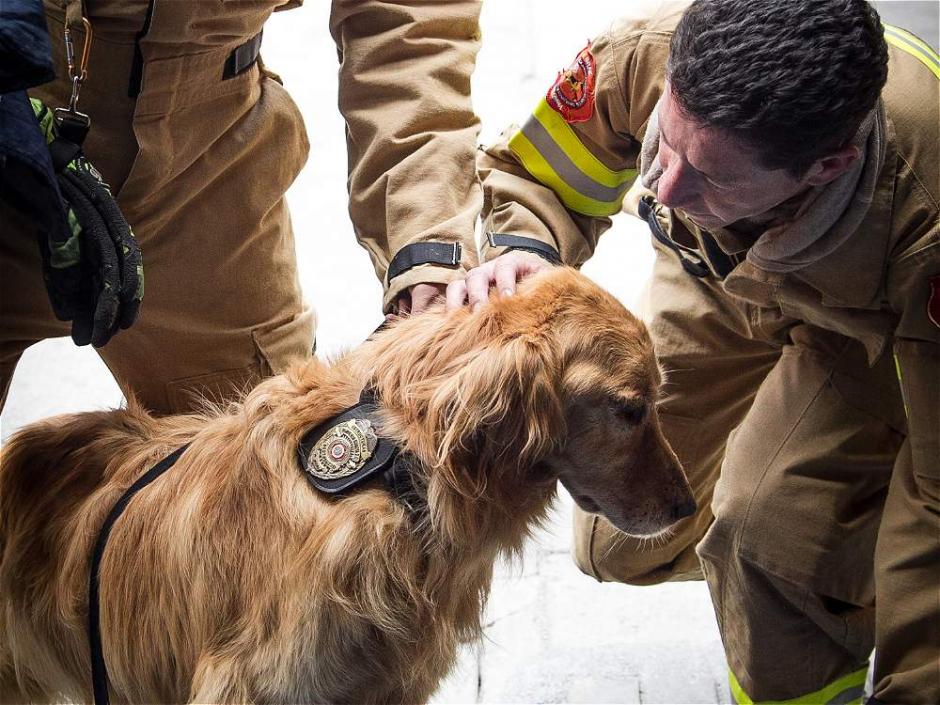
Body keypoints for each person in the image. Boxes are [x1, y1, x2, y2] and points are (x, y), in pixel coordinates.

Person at [451, 1, 939, 703]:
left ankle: (824, 545)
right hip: (719, 278)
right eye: (665, 142)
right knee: (621, 537)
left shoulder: (930, 217)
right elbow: (539, 178)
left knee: (767, 538)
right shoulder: (653, 57)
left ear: (828, 166)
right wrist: (526, 250)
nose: (663, 187)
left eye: (712, 175)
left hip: (874, 342)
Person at [1, 0, 482, 413]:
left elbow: (409, 25)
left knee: (276, 484)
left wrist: (429, 248)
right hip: (17, 117)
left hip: (208, 165)